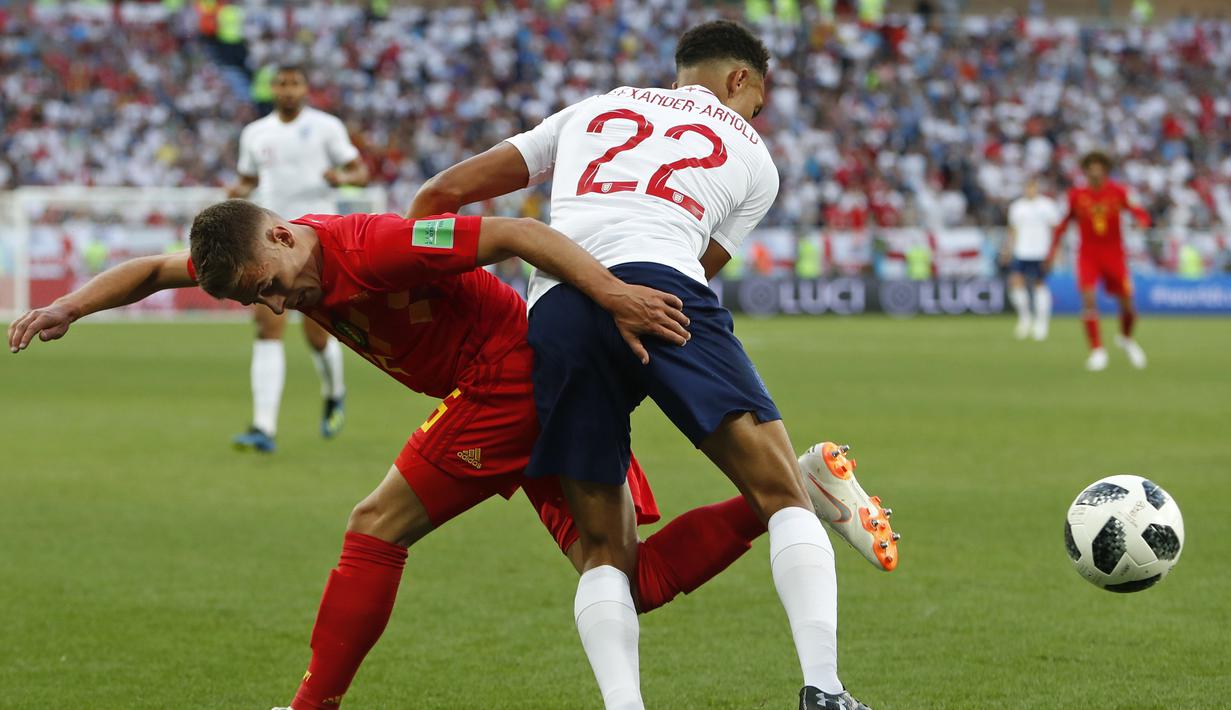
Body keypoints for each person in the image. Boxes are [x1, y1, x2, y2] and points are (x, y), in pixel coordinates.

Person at [8, 200, 864, 709]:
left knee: (374, 525)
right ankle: (793, 491)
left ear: (277, 238)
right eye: (254, 301)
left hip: (510, 379)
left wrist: (607, 293)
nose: (272, 303)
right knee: (623, 579)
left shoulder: (370, 245)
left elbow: (516, 232)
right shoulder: (266, 264)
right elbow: (158, 269)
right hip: (522, 393)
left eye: (267, 286)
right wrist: (69, 309)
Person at [410, 20, 895, 710]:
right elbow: (698, 268)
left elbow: (438, 197)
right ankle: (824, 689)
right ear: (738, 80)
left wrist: (446, 299)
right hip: (664, 292)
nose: (756, 113)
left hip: (560, 312)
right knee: (783, 492)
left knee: (605, 549)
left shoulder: (588, 110)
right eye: (757, 98)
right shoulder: (754, 156)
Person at [225, 64, 370, 452]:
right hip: (268, 240)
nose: (288, 90)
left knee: (317, 336)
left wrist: (342, 178)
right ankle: (263, 427)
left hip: (315, 239)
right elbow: (249, 179)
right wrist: (236, 190)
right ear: (272, 88)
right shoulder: (255, 134)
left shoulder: (326, 127)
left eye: (295, 82)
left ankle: (334, 392)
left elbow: (360, 172)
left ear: (305, 87)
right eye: (282, 83)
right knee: (267, 327)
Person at [1046, 152, 1151, 371]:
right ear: (1085, 170)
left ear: (1105, 169)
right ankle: (1097, 350)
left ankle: (1126, 338)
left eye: (1099, 166)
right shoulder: (1076, 195)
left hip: (1114, 254)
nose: (1095, 171)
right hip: (1088, 255)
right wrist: (1051, 253)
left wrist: (1141, 221)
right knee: (1088, 299)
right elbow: (1063, 224)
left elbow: (1139, 212)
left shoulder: (1119, 191)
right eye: (1090, 167)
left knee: (1127, 304)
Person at [1001, 176, 1061, 340]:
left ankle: (1041, 323)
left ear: (1037, 187)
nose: (1030, 190)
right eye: (1027, 187)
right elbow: (1012, 231)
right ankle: (1025, 318)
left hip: (1041, 251)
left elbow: (1056, 231)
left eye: (1032, 187)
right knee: (1016, 283)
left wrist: (1055, 252)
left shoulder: (1047, 206)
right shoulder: (1017, 207)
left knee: (1039, 285)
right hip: (1022, 251)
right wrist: (1007, 250)